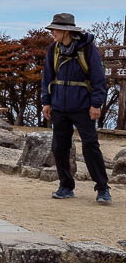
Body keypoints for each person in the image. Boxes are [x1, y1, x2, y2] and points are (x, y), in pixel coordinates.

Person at [41, 13, 111, 205]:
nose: (52, 32)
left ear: (66, 31)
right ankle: (66, 186)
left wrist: (96, 104)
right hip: (59, 107)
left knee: (90, 146)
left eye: (55, 29)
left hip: (83, 106)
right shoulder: (53, 49)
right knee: (59, 147)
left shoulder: (87, 49)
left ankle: (102, 188)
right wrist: (46, 102)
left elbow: (98, 78)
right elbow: (47, 77)